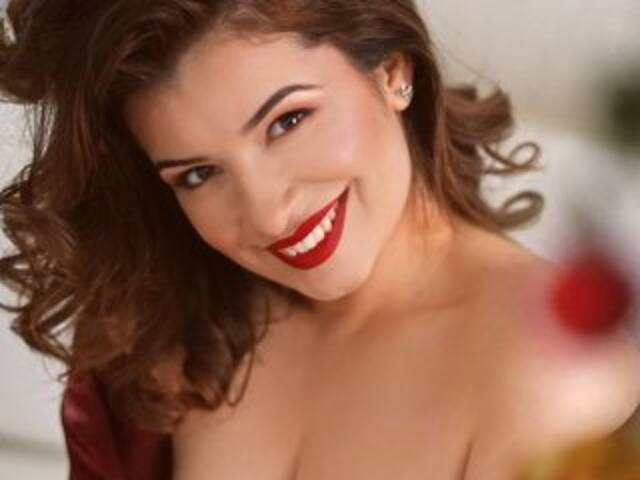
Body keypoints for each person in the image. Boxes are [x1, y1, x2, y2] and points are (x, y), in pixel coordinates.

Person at [0, 1, 638, 479]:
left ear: (392, 70)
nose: (268, 214)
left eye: (288, 121)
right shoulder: (164, 327)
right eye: (198, 174)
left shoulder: (552, 367)